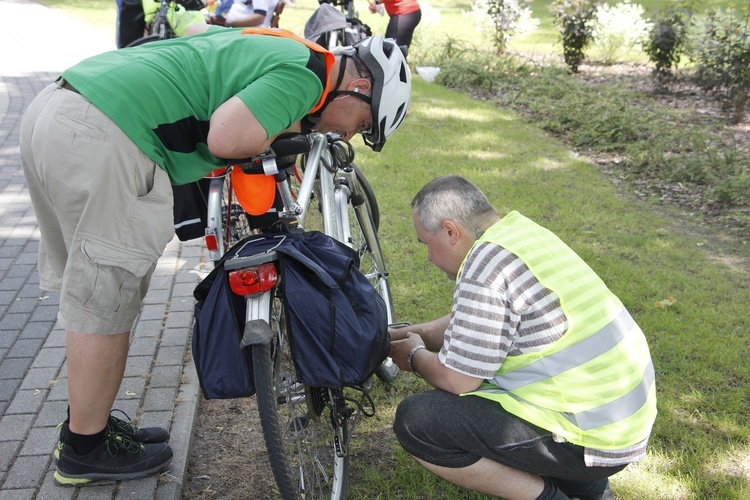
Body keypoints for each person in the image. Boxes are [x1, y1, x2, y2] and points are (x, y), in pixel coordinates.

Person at [20, 27, 411, 486]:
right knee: (105, 301)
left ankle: (93, 428)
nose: (345, 132)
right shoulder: (308, 77)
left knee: (94, 291)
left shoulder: (287, 47)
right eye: (362, 124)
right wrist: (282, 132)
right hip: (106, 132)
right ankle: (86, 449)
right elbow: (228, 139)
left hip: (62, 109)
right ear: (360, 86)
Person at [389, 175, 657, 500]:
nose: (428, 257)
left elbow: (458, 380)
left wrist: (416, 356)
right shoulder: (521, 233)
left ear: (450, 231)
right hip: (619, 421)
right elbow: (483, 320)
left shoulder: (484, 267)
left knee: (419, 421)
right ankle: (590, 491)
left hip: (588, 436)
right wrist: (415, 333)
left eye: (424, 243)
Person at [206, 0, 281, 28]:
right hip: (233, 29)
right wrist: (219, 19)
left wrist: (228, 23)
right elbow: (237, 8)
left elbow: (259, 18)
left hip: (246, 32)